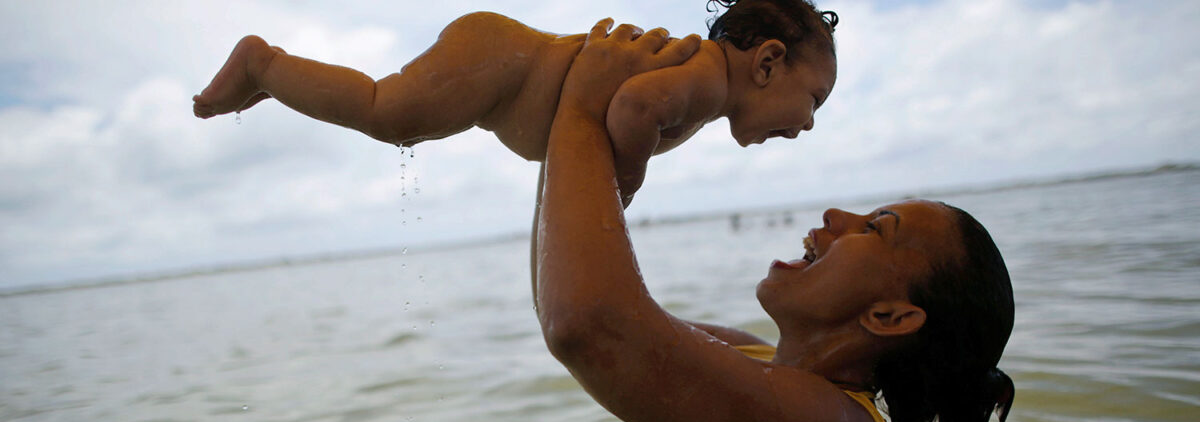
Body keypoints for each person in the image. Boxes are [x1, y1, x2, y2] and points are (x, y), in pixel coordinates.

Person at [533, 21, 1016, 422]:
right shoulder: (746, 355)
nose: (834, 218)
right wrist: (589, 128)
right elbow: (572, 295)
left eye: (874, 230)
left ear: (891, 318)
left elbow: (587, 324)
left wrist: (574, 113)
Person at [192, 1, 838, 202]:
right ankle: (263, 62)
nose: (810, 124)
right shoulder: (701, 76)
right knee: (386, 112)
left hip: (498, 69)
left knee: (395, 121)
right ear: (768, 61)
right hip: (499, 59)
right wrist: (625, 185)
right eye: (814, 99)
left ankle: (269, 76)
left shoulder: (705, 88)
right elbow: (633, 110)